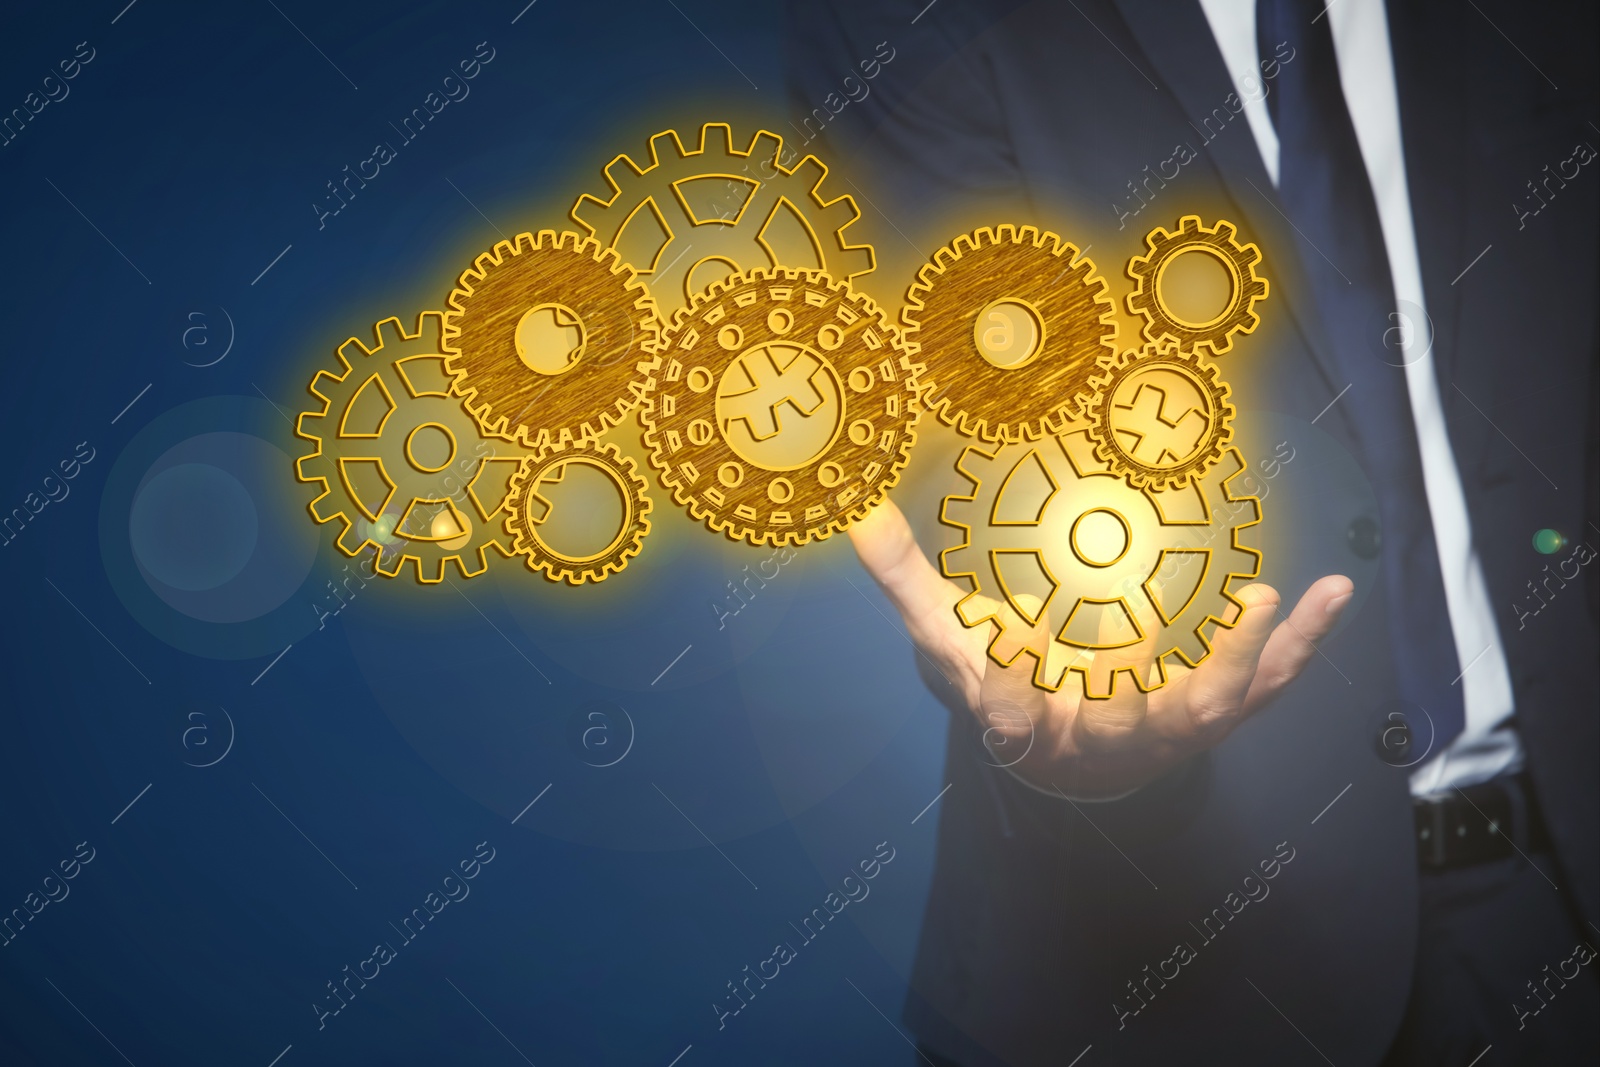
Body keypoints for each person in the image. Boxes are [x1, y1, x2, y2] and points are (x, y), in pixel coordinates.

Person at [786, 1, 1599, 1063]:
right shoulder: (915, 24)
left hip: (1556, 904)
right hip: (1170, 975)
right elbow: (976, 468)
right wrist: (1078, 720)